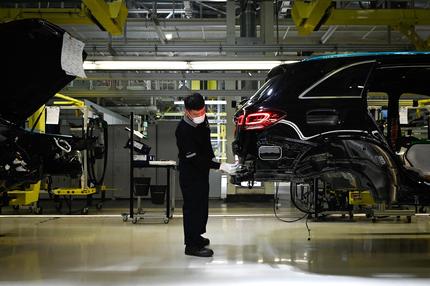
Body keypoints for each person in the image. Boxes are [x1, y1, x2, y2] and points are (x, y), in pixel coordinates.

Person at [175, 93, 236, 257]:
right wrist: (220, 166)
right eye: (196, 114)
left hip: (201, 172)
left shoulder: (203, 121)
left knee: (202, 206)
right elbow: (195, 158)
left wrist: (214, 161)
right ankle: (191, 245)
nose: (200, 116)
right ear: (187, 111)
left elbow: (206, 145)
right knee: (192, 208)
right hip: (190, 173)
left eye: (202, 111)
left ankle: (198, 236)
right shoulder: (183, 130)